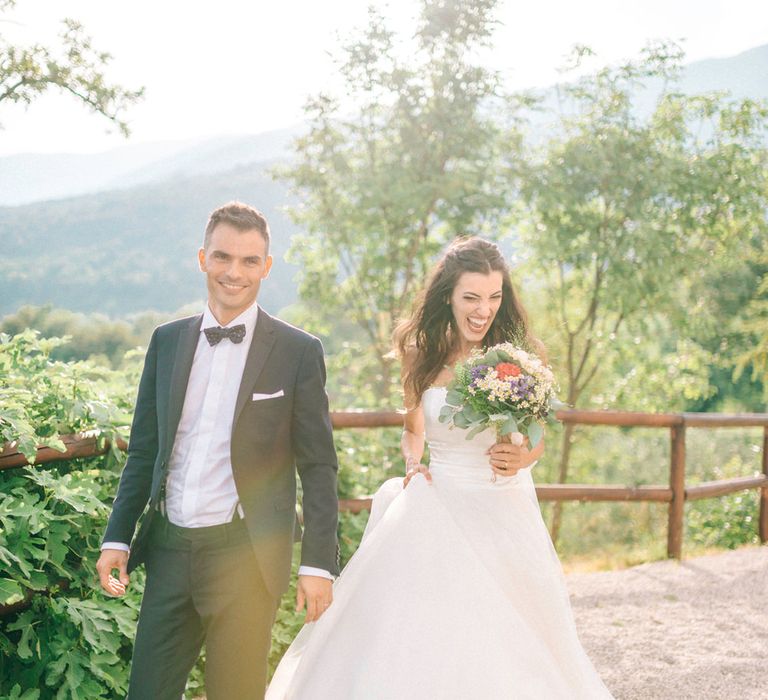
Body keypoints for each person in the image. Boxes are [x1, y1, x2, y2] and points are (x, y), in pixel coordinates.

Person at [266, 237, 613, 699]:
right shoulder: (420, 353)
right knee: (424, 628)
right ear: (447, 295)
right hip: (439, 502)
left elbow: (537, 433)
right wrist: (414, 463)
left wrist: (526, 456)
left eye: (493, 297)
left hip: (502, 508)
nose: (482, 310)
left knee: (511, 635)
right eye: (471, 297)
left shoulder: (519, 357)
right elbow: (413, 431)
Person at [96, 201, 340, 699]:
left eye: (250, 261)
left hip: (244, 556)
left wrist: (318, 563)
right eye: (223, 257)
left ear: (266, 267)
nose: (235, 272)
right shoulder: (166, 341)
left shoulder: (298, 351)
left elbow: (318, 466)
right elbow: (144, 451)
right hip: (168, 549)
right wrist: (116, 537)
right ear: (202, 258)